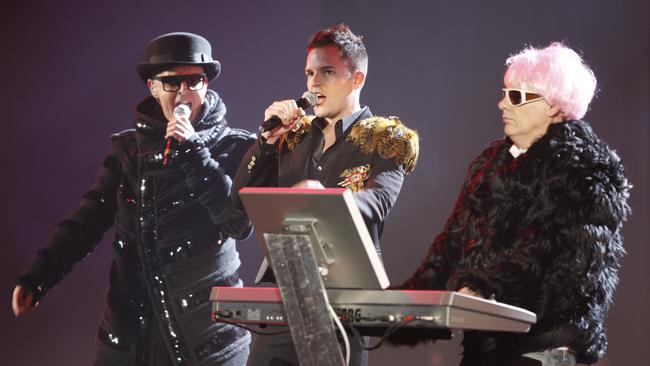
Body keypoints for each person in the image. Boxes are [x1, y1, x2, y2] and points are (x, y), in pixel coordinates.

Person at [12, 32, 255, 366]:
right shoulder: (128, 151)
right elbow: (86, 222)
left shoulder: (235, 147)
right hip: (131, 334)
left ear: (206, 84)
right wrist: (38, 277)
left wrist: (193, 151)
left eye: (194, 81)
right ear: (152, 88)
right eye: (172, 83)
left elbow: (238, 223)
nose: (185, 93)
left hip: (207, 337)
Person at [398, 43, 631, 366]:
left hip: (545, 350)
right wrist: (407, 300)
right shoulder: (490, 164)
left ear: (553, 106)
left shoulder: (589, 169)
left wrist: (484, 286)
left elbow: (552, 253)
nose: (502, 104)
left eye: (517, 97)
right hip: (488, 348)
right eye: (505, 93)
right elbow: (452, 243)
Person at [232, 24, 419, 366]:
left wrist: (326, 201)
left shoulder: (387, 139)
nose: (313, 83)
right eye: (309, 73)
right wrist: (267, 141)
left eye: (327, 72)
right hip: (284, 293)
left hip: (345, 299)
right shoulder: (292, 136)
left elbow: (378, 202)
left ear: (356, 79)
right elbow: (237, 202)